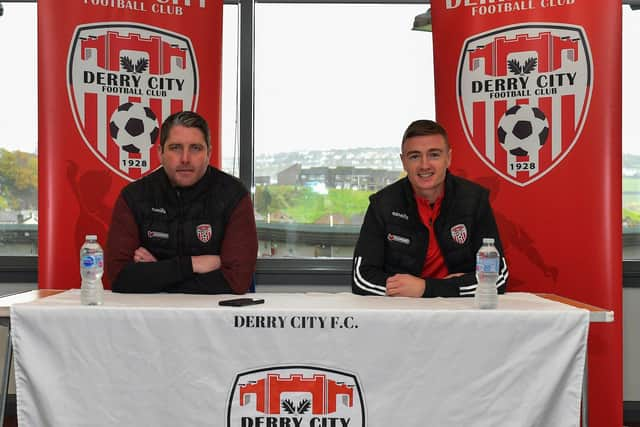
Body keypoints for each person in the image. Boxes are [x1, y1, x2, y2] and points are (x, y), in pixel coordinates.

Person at [352, 119, 508, 297]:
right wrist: (452, 285)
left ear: (448, 158)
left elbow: (497, 278)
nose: (424, 165)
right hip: (402, 314)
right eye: (415, 156)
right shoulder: (383, 204)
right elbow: (361, 279)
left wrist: (426, 288)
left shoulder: (474, 200)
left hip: (460, 314)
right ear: (403, 162)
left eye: (434, 154)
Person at [106, 111, 258, 294]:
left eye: (195, 148)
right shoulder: (134, 196)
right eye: (176, 147)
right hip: (150, 316)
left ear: (209, 153)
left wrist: (157, 273)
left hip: (214, 317)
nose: (185, 158)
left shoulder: (234, 195)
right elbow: (119, 277)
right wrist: (193, 264)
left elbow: (237, 281)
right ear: (160, 153)